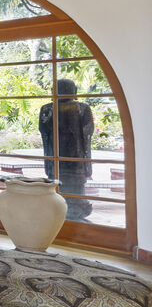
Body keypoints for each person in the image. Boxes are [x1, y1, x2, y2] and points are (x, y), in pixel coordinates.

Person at [39, 78, 94, 221]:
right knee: (72, 189)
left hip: (57, 157)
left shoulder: (47, 109)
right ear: (74, 91)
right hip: (76, 158)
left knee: (57, 187)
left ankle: (62, 213)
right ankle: (74, 211)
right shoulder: (82, 108)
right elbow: (87, 133)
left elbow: (44, 132)